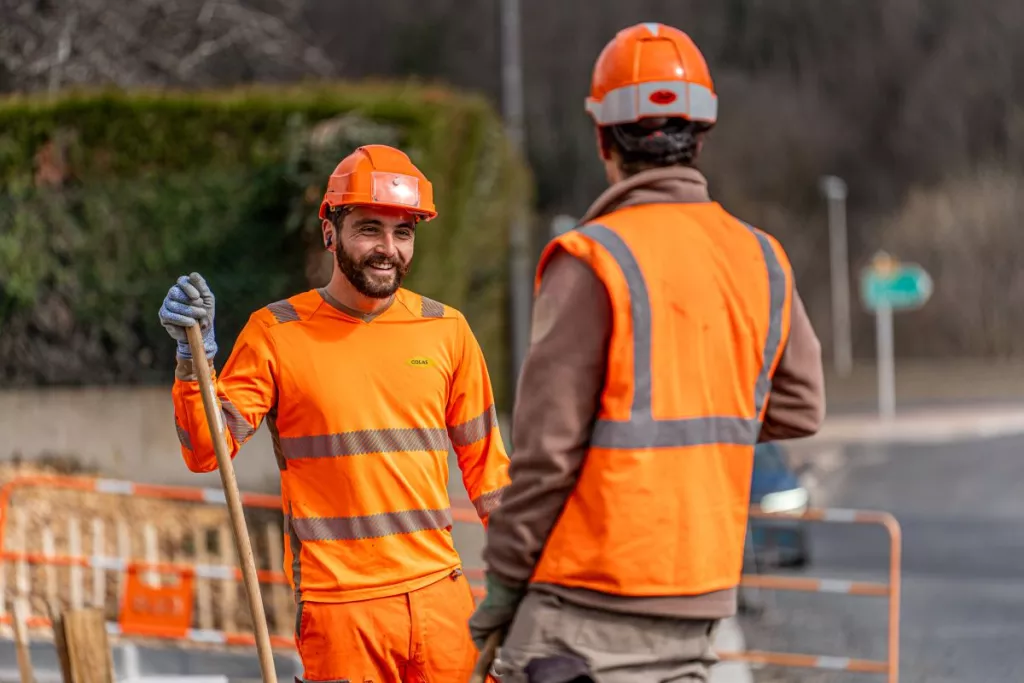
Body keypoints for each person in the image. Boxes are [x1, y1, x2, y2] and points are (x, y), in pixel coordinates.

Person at [469, 22, 826, 682]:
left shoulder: (591, 259)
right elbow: (802, 406)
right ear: (701, 136)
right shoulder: (762, 259)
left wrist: (503, 584)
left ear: (604, 138)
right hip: (700, 594)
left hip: (587, 600)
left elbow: (546, 456)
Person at [159, 144, 510, 682]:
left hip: (442, 598)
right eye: (370, 228)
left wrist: (526, 582)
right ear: (331, 231)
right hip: (340, 609)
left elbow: (491, 475)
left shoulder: (447, 331)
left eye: (403, 232)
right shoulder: (276, 332)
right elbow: (206, 452)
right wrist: (193, 366)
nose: (388, 249)